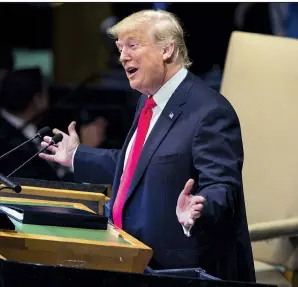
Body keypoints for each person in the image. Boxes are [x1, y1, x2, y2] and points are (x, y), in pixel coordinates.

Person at [39, 10, 255, 281]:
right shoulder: (148, 100)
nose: (122, 57)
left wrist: (199, 208)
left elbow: (223, 187)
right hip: (131, 256)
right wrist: (76, 157)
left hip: (177, 270)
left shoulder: (209, 112)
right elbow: (139, 166)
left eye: (132, 45)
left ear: (167, 50)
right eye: (120, 48)